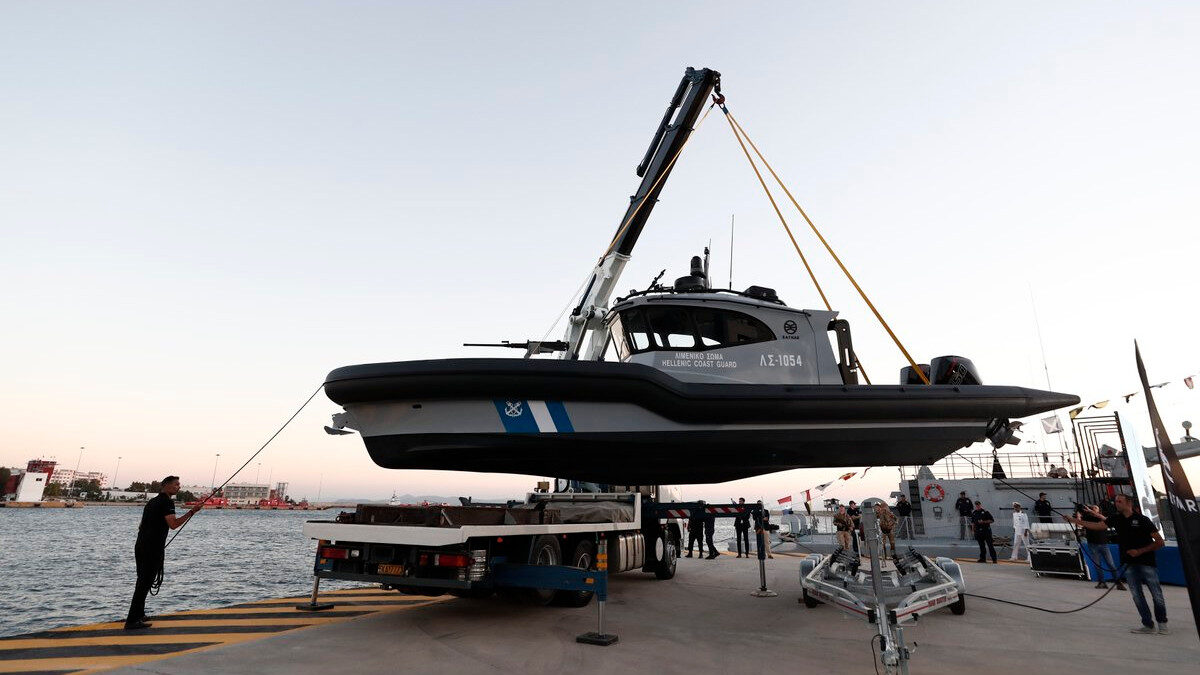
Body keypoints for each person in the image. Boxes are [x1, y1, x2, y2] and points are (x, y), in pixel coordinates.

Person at [1066, 493, 1166, 634]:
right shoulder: (1116, 519)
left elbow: (1160, 542)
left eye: (1119, 501)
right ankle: (1148, 625)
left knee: (1156, 594)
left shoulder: (1142, 520)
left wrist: (1140, 551)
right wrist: (1074, 521)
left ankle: (1162, 624)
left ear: (1128, 503)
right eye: (1116, 501)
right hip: (1128, 563)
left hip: (1146, 562)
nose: (1116, 504)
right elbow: (1097, 525)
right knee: (1137, 595)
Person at [125, 476, 201, 630]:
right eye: (175, 484)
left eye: (179, 484)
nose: (178, 487)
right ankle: (132, 620)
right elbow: (173, 524)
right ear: (165, 486)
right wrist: (192, 512)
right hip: (152, 548)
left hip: (141, 545)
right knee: (144, 582)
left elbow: (142, 525)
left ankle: (139, 614)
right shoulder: (167, 502)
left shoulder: (152, 501)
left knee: (143, 580)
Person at [1077, 503, 1125, 590]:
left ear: (1099, 510)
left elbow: (1103, 518)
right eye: (1093, 507)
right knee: (1097, 565)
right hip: (1093, 544)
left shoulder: (1102, 518)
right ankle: (1102, 582)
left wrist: (1091, 511)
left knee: (1110, 564)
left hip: (1103, 544)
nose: (1093, 509)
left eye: (1095, 508)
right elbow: (1080, 525)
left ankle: (1118, 582)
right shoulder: (1088, 518)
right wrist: (1079, 516)